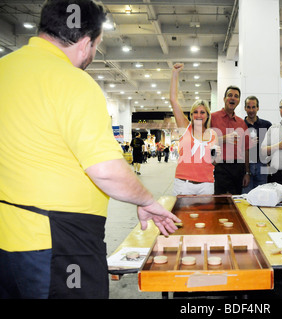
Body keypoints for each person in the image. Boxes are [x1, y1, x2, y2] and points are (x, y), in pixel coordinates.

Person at [0, 0, 180, 299]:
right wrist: (147, 200)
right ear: (86, 43)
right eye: (97, 45)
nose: (93, 53)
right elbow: (106, 171)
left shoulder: (5, 68)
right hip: (59, 242)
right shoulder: (72, 81)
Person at [169, 63, 220, 195]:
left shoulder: (213, 134)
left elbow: (214, 163)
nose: (198, 115)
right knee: (180, 216)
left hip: (207, 184)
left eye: (202, 112)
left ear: (207, 115)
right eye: (195, 112)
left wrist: (216, 156)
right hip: (183, 184)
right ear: (191, 115)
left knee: (206, 216)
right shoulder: (184, 128)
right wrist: (175, 74)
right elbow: (173, 100)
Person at [211, 85, 250, 195]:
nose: (233, 98)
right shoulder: (212, 118)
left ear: (238, 101)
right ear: (224, 99)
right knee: (220, 202)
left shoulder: (241, 123)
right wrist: (223, 139)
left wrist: (247, 172)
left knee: (236, 200)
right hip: (220, 167)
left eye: (236, 96)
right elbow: (204, 141)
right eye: (230, 95)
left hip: (238, 167)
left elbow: (246, 149)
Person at [243, 96, 272, 193]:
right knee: (246, 197)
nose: (251, 110)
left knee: (262, 196)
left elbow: (272, 145)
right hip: (245, 166)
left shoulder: (267, 125)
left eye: (253, 107)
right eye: (248, 107)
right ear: (245, 108)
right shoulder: (240, 125)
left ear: (258, 108)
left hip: (262, 165)